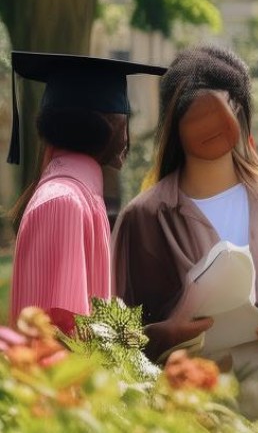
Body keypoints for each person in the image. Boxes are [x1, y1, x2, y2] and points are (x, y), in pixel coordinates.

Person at [112, 45, 258, 425]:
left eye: (229, 103)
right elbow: (119, 329)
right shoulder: (144, 216)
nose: (213, 121)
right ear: (174, 120)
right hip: (191, 405)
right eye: (195, 109)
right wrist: (167, 334)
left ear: (242, 111)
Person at [8, 52, 166, 332]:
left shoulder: (77, 195)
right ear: (106, 122)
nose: (128, 136)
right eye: (124, 117)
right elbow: (65, 335)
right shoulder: (64, 202)